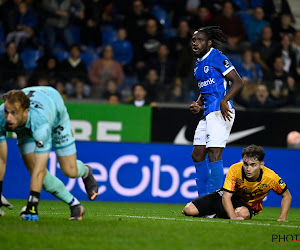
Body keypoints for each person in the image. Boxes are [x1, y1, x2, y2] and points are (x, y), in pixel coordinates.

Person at [0, 86, 99, 221]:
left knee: (69, 171)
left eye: (14, 113)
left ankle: (86, 171)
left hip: (55, 113)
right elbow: (1, 159)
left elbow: (40, 170)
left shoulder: (41, 124)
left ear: (25, 112)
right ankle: (75, 205)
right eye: (7, 112)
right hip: (25, 124)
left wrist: (32, 205)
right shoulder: (2, 117)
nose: (9, 118)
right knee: (38, 173)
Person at [189, 26, 244, 197]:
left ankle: (214, 203)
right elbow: (206, 88)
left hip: (222, 111)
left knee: (214, 152)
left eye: (200, 40)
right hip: (207, 113)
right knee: (197, 154)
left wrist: (225, 100)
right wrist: (198, 103)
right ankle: (202, 199)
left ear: (209, 43)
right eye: (193, 40)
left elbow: (238, 82)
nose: (195, 43)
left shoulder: (217, 56)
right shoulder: (197, 65)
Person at [182, 145, 292, 221]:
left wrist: (282, 217)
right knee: (188, 210)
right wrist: (233, 218)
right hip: (228, 197)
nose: (248, 169)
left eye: (253, 165)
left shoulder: (271, 177)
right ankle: (214, 215)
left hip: (247, 205)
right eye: (245, 164)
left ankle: (212, 215)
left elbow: (286, 196)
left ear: (261, 164)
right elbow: (226, 196)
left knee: (243, 213)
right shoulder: (235, 169)